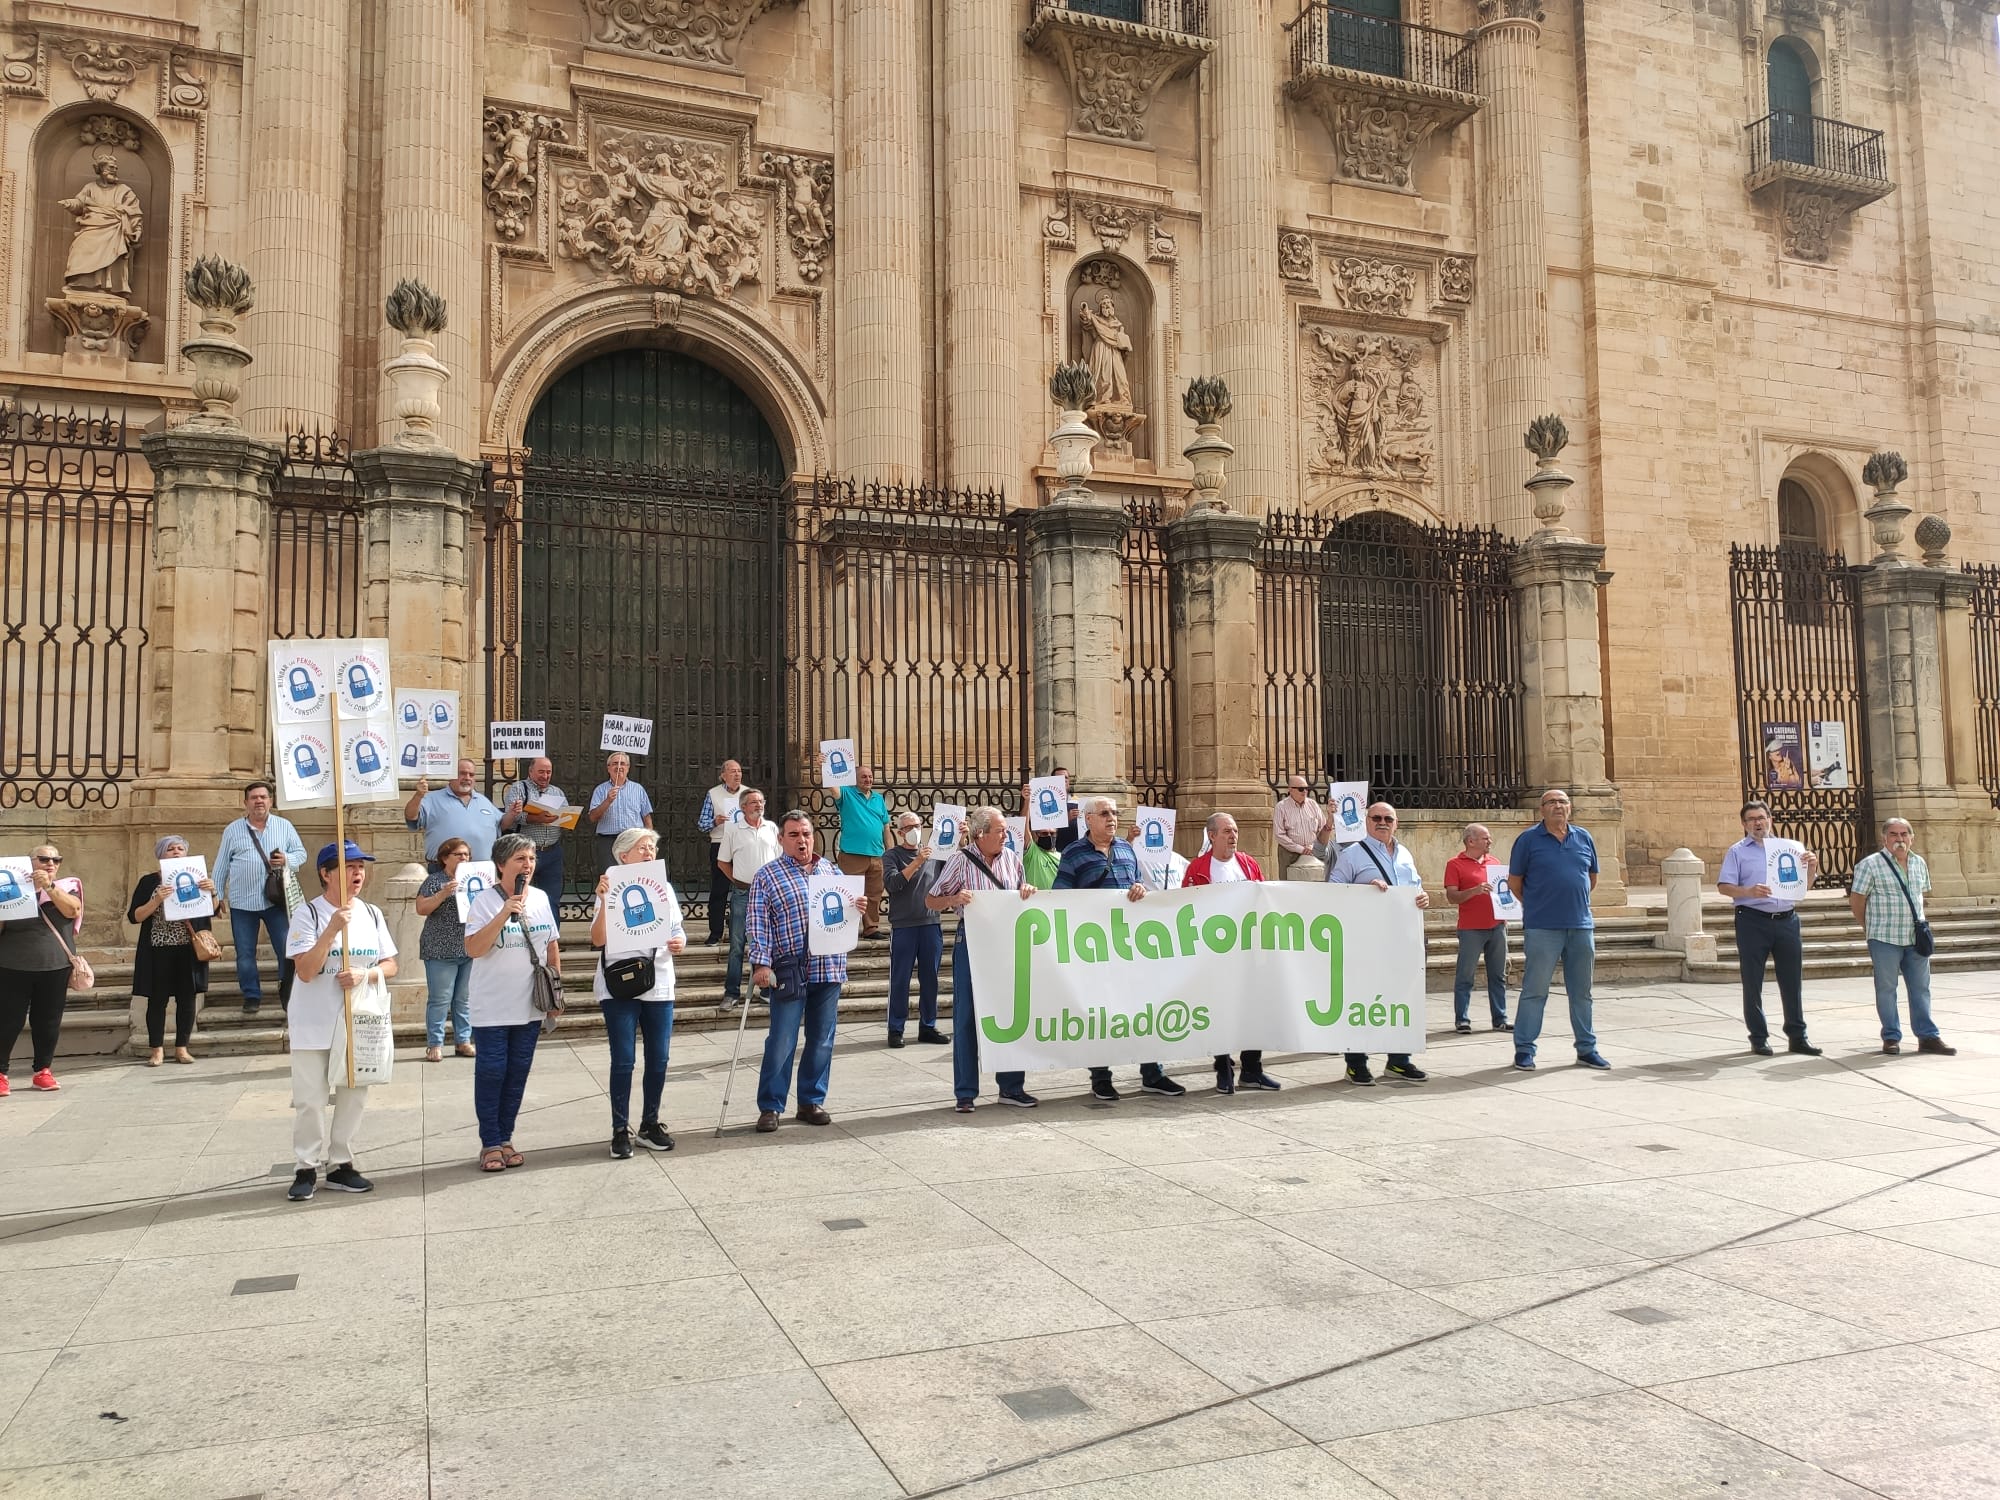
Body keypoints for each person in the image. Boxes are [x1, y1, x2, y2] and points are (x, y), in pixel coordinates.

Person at [282, 842, 397, 1201]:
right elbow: (304, 971)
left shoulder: (373, 913)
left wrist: (368, 974)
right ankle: (305, 1166)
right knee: (311, 1100)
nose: (358, 873)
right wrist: (332, 930)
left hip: (356, 1022)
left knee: (353, 1095)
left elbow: (391, 964)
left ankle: (340, 1163)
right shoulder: (308, 915)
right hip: (314, 1021)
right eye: (349, 867)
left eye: (361, 866)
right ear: (326, 874)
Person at [1055, 795, 1183, 1101]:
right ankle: (1101, 1077)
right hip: (1096, 950)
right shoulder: (1073, 854)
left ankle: (1153, 1073)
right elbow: (1060, 898)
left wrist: (1139, 889)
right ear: (1088, 819)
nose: (1112, 818)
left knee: (1145, 1009)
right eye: (1104, 813)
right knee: (1100, 1013)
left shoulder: (1127, 850)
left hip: (1130, 947)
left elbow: (1136, 884)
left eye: (1114, 812)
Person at [745, 811, 865, 1132]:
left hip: (828, 967)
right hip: (788, 970)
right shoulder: (767, 876)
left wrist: (858, 906)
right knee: (783, 1039)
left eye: (807, 834)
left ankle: (811, 1100)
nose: (802, 840)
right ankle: (771, 1106)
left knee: (822, 1039)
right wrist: (761, 962)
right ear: (781, 839)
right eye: (795, 834)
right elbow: (757, 922)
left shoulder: (830, 870)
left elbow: (843, 911)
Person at [464, 833, 564, 1171]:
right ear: (502, 865)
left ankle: (506, 1137)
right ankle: (489, 1142)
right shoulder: (483, 902)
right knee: (492, 1070)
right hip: (491, 1004)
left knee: (518, 1071)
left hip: (530, 1003)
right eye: (521, 859)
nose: (528, 865)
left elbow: (551, 945)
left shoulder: (539, 898)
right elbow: (474, 949)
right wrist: (504, 912)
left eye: (532, 859)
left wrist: (556, 994)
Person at [929, 806, 1036, 1111]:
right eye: (1000, 830)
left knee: (1012, 1015)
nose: (1006, 835)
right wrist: (953, 899)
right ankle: (965, 1093)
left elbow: (1020, 894)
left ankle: (1012, 1087)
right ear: (980, 834)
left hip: (1006, 943)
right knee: (965, 1018)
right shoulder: (960, 861)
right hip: (972, 943)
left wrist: (1027, 890)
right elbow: (931, 900)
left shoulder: (1013, 860)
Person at [591, 826, 685, 1157]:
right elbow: (598, 939)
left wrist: (679, 942)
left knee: (658, 1058)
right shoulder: (610, 887)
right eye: (642, 848)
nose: (649, 853)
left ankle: (650, 1123)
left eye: (652, 848)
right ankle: (619, 1128)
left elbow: (678, 930)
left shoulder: (665, 890)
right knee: (624, 1060)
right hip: (619, 983)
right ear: (624, 855)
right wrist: (603, 900)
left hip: (658, 980)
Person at [1324, 802, 1430, 1085]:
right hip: (1368, 939)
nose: (1382, 822)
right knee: (1360, 998)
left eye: (1388, 818)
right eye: (1376, 818)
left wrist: (1423, 897)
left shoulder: (1405, 853)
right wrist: (1364, 891)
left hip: (1404, 936)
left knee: (1402, 997)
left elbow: (1415, 886)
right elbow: (1333, 892)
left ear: (1396, 823)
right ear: (1366, 822)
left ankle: (1399, 1060)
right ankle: (1356, 1062)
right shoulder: (1352, 855)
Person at [1507, 789, 1609, 1071]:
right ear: (1541, 809)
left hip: (1580, 925)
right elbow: (1515, 882)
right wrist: (1538, 904)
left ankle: (1587, 1049)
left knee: (1582, 992)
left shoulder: (1584, 837)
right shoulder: (1528, 840)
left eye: (1562, 801)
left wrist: (1574, 902)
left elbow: (1592, 878)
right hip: (1542, 927)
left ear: (1570, 808)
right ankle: (1524, 1049)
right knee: (1535, 990)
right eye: (1551, 802)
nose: (1557, 806)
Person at [1182, 812, 1279, 1094]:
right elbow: (1187, 907)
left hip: (1248, 951)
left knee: (1254, 1008)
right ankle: (1223, 1067)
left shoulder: (1248, 864)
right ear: (1211, 836)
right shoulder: (1198, 868)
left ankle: (1252, 1069)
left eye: (1235, 831)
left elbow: (1264, 898)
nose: (1233, 836)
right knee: (1220, 1009)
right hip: (1215, 954)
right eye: (1226, 831)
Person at [1717, 800, 1823, 1056]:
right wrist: (1748, 891)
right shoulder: (1737, 852)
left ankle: (1797, 1036)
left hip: (1787, 919)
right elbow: (1723, 886)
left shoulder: (1791, 848)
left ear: (1770, 819)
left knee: (1792, 981)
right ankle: (1759, 1037)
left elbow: (1803, 888)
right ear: (1744, 824)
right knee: (1752, 981)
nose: (1757, 823)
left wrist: (1812, 867)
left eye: (1761, 817)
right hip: (1752, 919)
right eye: (1751, 819)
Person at [1849, 818, 1954, 1058]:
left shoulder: (1919, 863)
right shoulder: (1870, 865)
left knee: (1921, 989)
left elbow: (1919, 896)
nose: (1900, 839)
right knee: (1887, 989)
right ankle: (1891, 1037)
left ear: (1911, 838)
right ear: (1884, 838)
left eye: (1904, 834)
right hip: (1884, 937)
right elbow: (1857, 899)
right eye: (1894, 834)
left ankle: (1927, 1036)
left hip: (1915, 938)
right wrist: (1869, 927)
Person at [212, 780, 306, 1016]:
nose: (259, 801)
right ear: (246, 803)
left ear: (270, 801)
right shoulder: (233, 830)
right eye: (254, 798)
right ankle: (251, 995)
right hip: (242, 903)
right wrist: (216, 895)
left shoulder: (284, 826)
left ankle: (288, 991)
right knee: (245, 953)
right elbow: (221, 865)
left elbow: (301, 853)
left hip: (276, 901)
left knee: (286, 948)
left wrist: (287, 860)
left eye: (263, 797)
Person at [0, 844, 83, 1096]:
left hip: (54, 966)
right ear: (28, 862)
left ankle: (42, 1071)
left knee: (47, 1021)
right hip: (12, 965)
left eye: (56, 859)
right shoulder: (8, 888)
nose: (51, 863)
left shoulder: (68, 886)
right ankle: (1, 1072)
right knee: (7, 1021)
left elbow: (73, 910)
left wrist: (48, 886)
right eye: (44, 859)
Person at [127, 835, 216, 1066]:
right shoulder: (148, 882)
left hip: (188, 948)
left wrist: (213, 892)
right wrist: (156, 899)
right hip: (158, 949)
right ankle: (156, 1049)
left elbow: (212, 911)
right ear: (160, 855)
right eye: (170, 849)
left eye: (180, 848)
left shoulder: (198, 878)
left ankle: (182, 1048)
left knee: (187, 1000)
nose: (176, 852)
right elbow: (135, 916)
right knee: (157, 1000)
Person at [882, 810, 948, 1048]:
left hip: (931, 923)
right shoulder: (892, 856)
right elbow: (893, 884)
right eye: (909, 827)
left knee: (930, 978)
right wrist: (917, 862)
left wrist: (961, 838)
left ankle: (928, 1026)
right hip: (904, 926)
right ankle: (895, 1028)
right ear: (900, 832)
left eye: (918, 825)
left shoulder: (934, 855)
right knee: (900, 979)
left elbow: (954, 868)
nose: (915, 830)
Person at [413, 837, 477, 1063]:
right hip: (440, 948)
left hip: (467, 947)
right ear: (444, 858)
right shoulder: (434, 880)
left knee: (464, 998)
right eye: (458, 854)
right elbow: (421, 908)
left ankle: (463, 1040)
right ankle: (435, 1044)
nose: (463, 858)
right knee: (440, 999)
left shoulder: (474, 879)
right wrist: (442, 894)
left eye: (466, 854)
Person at [1444, 823, 1511, 1035]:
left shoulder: (1495, 863)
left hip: (1497, 927)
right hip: (1471, 929)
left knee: (1498, 975)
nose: (1490, 842)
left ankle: (1500, 1018)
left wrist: (1507, 911)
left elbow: (1503, 893)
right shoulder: (1455, 864)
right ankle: (1462, 1019)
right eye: (1485, 838)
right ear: (1471, 841)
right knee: (1466, 976)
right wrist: (1474, 891)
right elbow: (1451, 896)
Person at [718, 787, 781, 1009]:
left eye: (761, 801)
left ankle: (766, 990)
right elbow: (722, 862)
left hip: (768, 894)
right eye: (754, 802)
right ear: (743, 807)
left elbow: (781, 858)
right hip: (743, 893)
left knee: (766, 942)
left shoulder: (772, 828)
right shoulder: (733, 830)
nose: (759, 805)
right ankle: (731, 993)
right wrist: (736, 880)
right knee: (737, 944)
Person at [499, 757, 568, 913]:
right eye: (541, 772)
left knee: (552, 900)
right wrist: (536, 818)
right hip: (525, 853)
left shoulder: (557, 792)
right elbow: (511, 816)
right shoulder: (518, 788)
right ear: (530, 771)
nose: (545, 776)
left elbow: (566, 813)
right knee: (518, 894)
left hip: (552, 852)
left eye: (548, 772)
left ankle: (551, 935)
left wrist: (565, 818)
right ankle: (520, 932)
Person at [404, 759, 504, 863]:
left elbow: (502, 824)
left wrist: (513, 813)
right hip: (443, 870)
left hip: (480, 872)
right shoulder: (432, 799)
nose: (467, 778)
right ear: (451, 776)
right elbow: (411, 817)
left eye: (471, 775)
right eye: (462, 773)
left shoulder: (483, 800)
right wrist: (418, 795)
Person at [834, 764, 890, 939]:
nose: (868, 779)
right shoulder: (846, 793)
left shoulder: (878, 799)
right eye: (864, 776)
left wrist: (889, 851)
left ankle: (871, 927)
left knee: (874, 894)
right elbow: (832, 787)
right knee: (849, 893)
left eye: (870, 776)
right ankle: (846, 929)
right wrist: (825, 768)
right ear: (855, 779)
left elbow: (885, 826)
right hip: (852, 854)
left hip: (876, 854)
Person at [697, 759, 746, 944]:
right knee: (719, 890)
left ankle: (741, 931)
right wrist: (715, 822)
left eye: (739, 771)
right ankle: (715, 933)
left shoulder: (748, 794)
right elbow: (702, 824)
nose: (737, 774)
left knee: (744, 890)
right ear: (723, 775)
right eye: (733, 771)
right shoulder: (713, 794)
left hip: (743, 845)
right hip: (720, 844)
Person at [588, 752, 655, 881]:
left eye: (623, 763)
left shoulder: (638, 789)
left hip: (634, 841)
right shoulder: (600, 790)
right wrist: (607, 800)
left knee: (636, 879)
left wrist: (650, 842)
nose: (619, 767)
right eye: (614, 764)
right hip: (609, 842)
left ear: (628, 767)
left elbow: (647, 818)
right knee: (610, 881)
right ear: (608, 768)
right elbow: (592, 817)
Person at [1273, 776, 1327, 870]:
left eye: (1306, 788)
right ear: (1290, 790)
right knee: (1288, 883)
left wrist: (1313, 846)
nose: (1305, 791)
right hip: (1290, 853)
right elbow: (1279, 834)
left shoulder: (1313, 804)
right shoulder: (1281, 807)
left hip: (1313, 851)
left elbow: (1323, 827)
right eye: (1301, 789)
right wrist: (1300, 849)